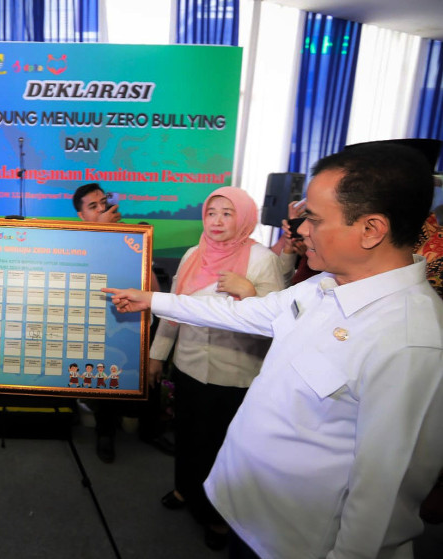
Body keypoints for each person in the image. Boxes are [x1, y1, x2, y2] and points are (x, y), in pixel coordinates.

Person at [104, 143, 443, 558]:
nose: (301, 231)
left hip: (296, 542)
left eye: (313, 219)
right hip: (249, 513)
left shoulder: (411, 341)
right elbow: (238, 312)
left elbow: (383, 501)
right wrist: (151, 300)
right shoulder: (321, 287)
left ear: (371, 229)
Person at [148, 186, 284, 550]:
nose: (217, 221)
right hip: (189, 365)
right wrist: (158, 355)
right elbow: (174, 309)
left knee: (223, 447)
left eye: (227, 213)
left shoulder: (261, 260)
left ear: (244, 218)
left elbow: (277, 321)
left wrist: (249, 292)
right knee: (187, 435)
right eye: (211, 213)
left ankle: (218, 518)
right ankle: (184, 488)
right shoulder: (193, 254)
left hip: (236, 372)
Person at [72, 182, 165, 463]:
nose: (102, 209)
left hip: (139, 321)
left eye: (104, 202)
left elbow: (156, 291)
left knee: (150, 377)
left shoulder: (132, 236)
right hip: (102, 324)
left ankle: (151, 430)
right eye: (93, 206)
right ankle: (105, 433)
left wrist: (140, 249)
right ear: (82, 216)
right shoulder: (77, 243)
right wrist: (102, 234)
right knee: (106, 377)